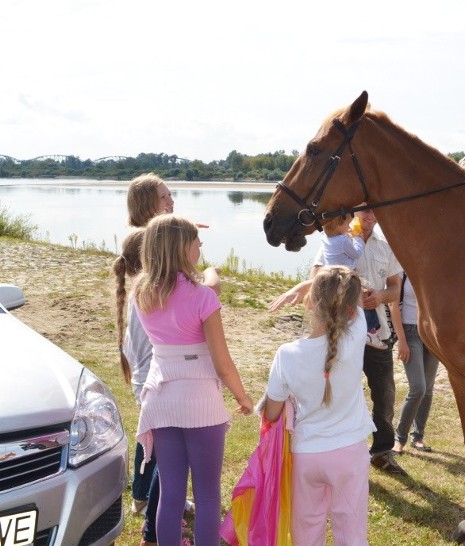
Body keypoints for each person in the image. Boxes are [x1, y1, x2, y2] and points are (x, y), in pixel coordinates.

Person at [133, 214, 253, 545]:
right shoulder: (202, 298)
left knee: (170, 494)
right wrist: (243, 398)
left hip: (161, 397)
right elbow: (223, 363)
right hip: (200, 401)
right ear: (183, 248)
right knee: (207, 494)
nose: (200, 248)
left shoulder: (142, 293)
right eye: (197, 243)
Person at [269, 207, 407, 476]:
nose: (370, 217)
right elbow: (317, 280)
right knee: (338, 389)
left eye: (374, 212)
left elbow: (395, 289)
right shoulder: (336, 239)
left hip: (376, 334)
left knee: (385, 395)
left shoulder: (386, 246)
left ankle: (381, 451)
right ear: (353, 213)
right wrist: (302, 288)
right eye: (364, 211)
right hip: (340, 334)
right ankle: (340, 446)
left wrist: (379, 296)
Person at [119, 174, 212, 545]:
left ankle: (143, 498)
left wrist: (184, 234)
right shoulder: (146, 243)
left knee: (158, 447)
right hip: (157, 366)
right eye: (164, 196)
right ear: (146, 204)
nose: (171, 200)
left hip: (153, 363)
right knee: (169, 460)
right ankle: (153, 532)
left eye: (171, 194)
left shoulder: (148, 242)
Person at [263, 265, 376, 546]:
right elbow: (353, 296)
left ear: (309, 303)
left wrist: (307, 287)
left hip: (307, 454)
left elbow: (271, 412)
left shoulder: (287, 355)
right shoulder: (357, 332)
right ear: (351, 308)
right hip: (349, 453)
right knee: (351, 530)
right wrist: (311, 285)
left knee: (306, 530)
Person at [319, 213, 386, 349]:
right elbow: (356, 253)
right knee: (365, 296)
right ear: (339, 226)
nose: (349, 226)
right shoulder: (343, 241)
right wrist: (358, 239)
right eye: (347, 224)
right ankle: (371, 332)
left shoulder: (325, 238)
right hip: (348, 276)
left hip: (333, 276)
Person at [393, 272, 440, 454]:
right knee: (418, 388)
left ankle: (418, 437)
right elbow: (393, 305)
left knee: (428, 389)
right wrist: (402, 340)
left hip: (432, 333)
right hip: (410, 331)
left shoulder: (434, 269)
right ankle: (400, 439)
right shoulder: (401, 271)